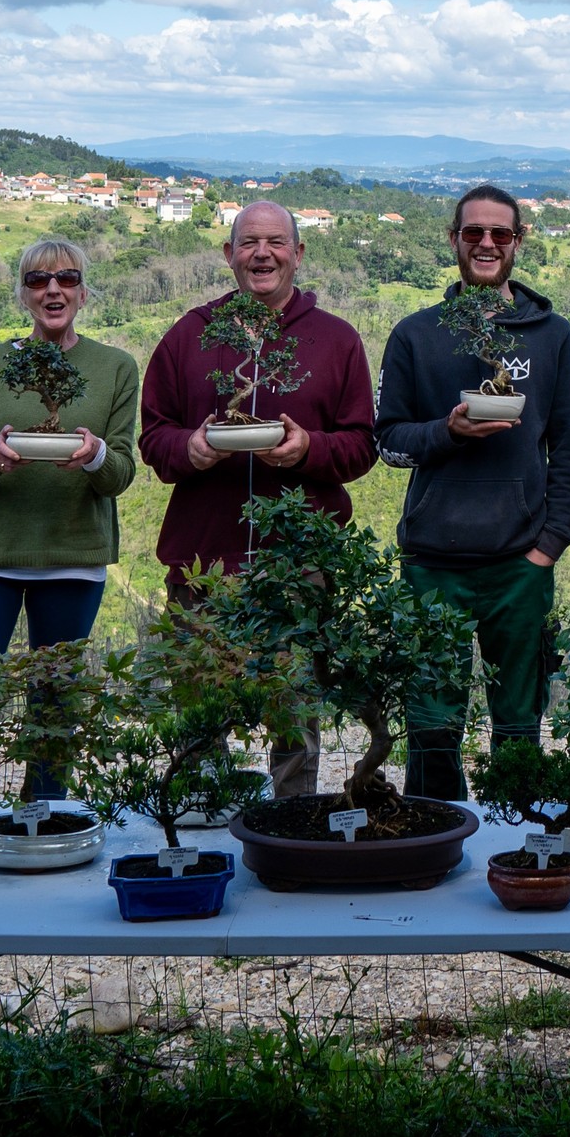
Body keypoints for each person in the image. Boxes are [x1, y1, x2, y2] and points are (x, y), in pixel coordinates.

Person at [139, 200, 376, 795]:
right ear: (229, 255)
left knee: (295, 717)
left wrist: (307, 451)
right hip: (203, 566)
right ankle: (198, 824)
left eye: (275, 243)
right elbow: (152, 433)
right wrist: (188, 449)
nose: (261, 254)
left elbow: (362, 444)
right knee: (198, 715)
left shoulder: (337, 340)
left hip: (298, 566)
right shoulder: (189, 335)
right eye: (248, 243)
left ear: (298, 253)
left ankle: (292, 827)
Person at [374, 184, 570, 800]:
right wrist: (449, 430)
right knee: (430, 720)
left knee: (519, 720)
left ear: (518, 242)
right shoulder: (417, 334)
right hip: (432, 564)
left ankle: (516, 838)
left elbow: (569, 448)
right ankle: (437, 837)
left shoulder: (551, 335)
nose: (487, 243)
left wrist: (550, 544)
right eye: (474, 233)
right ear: (454, 241)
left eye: (501, 233)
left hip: (519, 564)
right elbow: (388, 441)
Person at [0, 239, 138, 798]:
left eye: (66, 278)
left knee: (55, 707)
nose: (53, 290)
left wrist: (93, 455)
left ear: (83, 291)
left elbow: (119, 474)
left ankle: (44, 826)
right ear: (23, 293)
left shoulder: (115, 367)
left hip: (73, 555)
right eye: (38, 280)